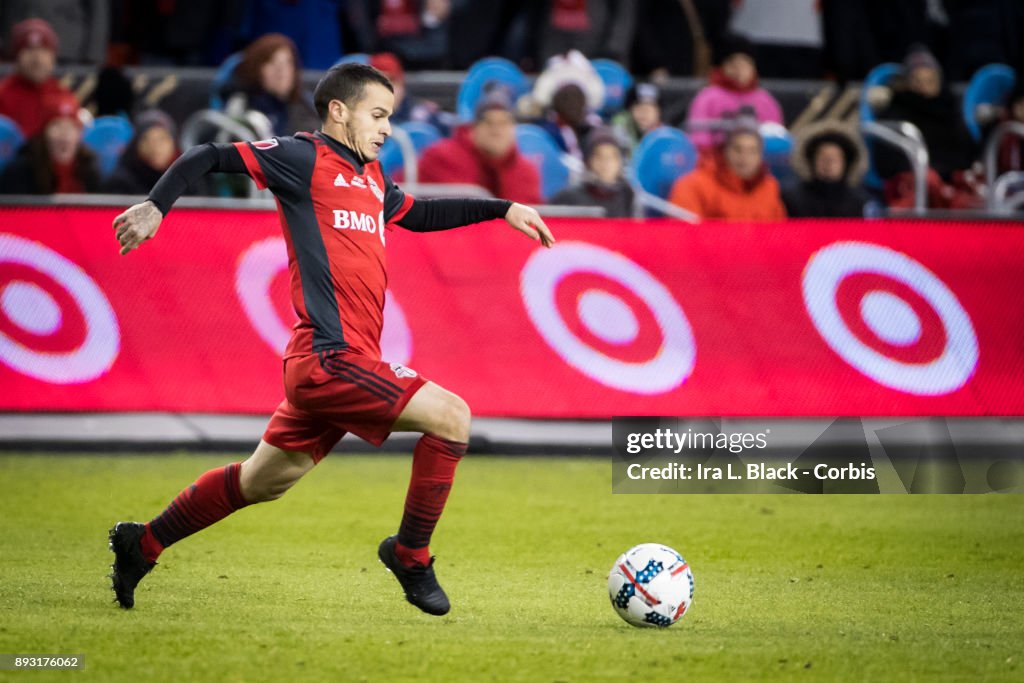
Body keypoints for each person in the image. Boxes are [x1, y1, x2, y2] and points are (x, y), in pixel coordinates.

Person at [107, 63, 555, 617]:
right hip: (328, 357)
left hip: (343, 362)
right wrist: (156, 206)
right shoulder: (300, 158)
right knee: (453, 416)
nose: (387, 128)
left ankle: (142, 543)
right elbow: (208, 155)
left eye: (389, 116)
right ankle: (411, 555)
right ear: (339, 112)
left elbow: (420, 214)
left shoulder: (371, 178)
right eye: (378, 114)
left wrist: (503, 208)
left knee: (263, 480)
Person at [872, 44, 980, 208]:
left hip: (950, 182)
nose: (924, 86)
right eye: (917, 80)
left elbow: (967, 154)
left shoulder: (950, 110)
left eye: (930, 80)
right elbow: (888, 159)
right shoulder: (897, 110)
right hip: (914, 181)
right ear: (907, 82)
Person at [418, 86, 542, 204]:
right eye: (488, 122)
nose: (496, 130)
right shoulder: (441, 157)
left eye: (504, 122)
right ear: (474, 129)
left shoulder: (526, 171)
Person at [684, 33, 783, 152]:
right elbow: (698, 138)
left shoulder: (765, 100)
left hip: (756, 164)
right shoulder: (707, 97)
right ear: (722, 67)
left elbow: (775, 139)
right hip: (714, 164)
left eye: (745, 65)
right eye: (733, 65)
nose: (739, 71)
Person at [669, 126, 786, 221]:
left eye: (752, 151)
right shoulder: (693, 185)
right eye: (737, 149)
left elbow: (778, 233)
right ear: (724, 151)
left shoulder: (770, 187)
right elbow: (682, 234)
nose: (745, 157)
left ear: (761, 156)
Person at [0, 92, 100, 194]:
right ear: (44, 133)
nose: (64, 133)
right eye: (56, 125)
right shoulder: (21, 171)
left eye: (71, 126)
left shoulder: (90, 168)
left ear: (80, 134)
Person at [224, 33, 319, 137]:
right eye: (272, 62)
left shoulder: (308, 107)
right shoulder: (240, 106)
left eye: (287, 62)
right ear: (256, 68)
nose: (281, 71)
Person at [0, 18, 78, 138]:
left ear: (53, 57)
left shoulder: (63, 96)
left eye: (44, 50)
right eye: (29, 49)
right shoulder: (3, 95)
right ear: (16, 56)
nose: (37, 59)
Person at [782, 121, 869, 218]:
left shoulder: (859, 202)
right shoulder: (791, 199)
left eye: (835, 158)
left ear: (846, 163)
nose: (829, 163)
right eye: (823, 157)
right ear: (811, 161)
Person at [549, 128, 636, 217]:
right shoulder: (567, 197)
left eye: (612, 157)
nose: (606, 163)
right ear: (588, 161)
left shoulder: (629, 196)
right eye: (599, 156)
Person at [102, 111, 183, 196]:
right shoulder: (119, 184)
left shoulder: (188, 179)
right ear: (135, 145)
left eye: (162, 139)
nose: (155, 147)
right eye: (146, 139)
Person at [611, 81, 663, 155]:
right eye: (639, 107)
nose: (644, 112)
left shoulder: (664, 134)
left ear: (659, 112)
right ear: (629, 110)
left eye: (650, 108)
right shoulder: (620, 128)